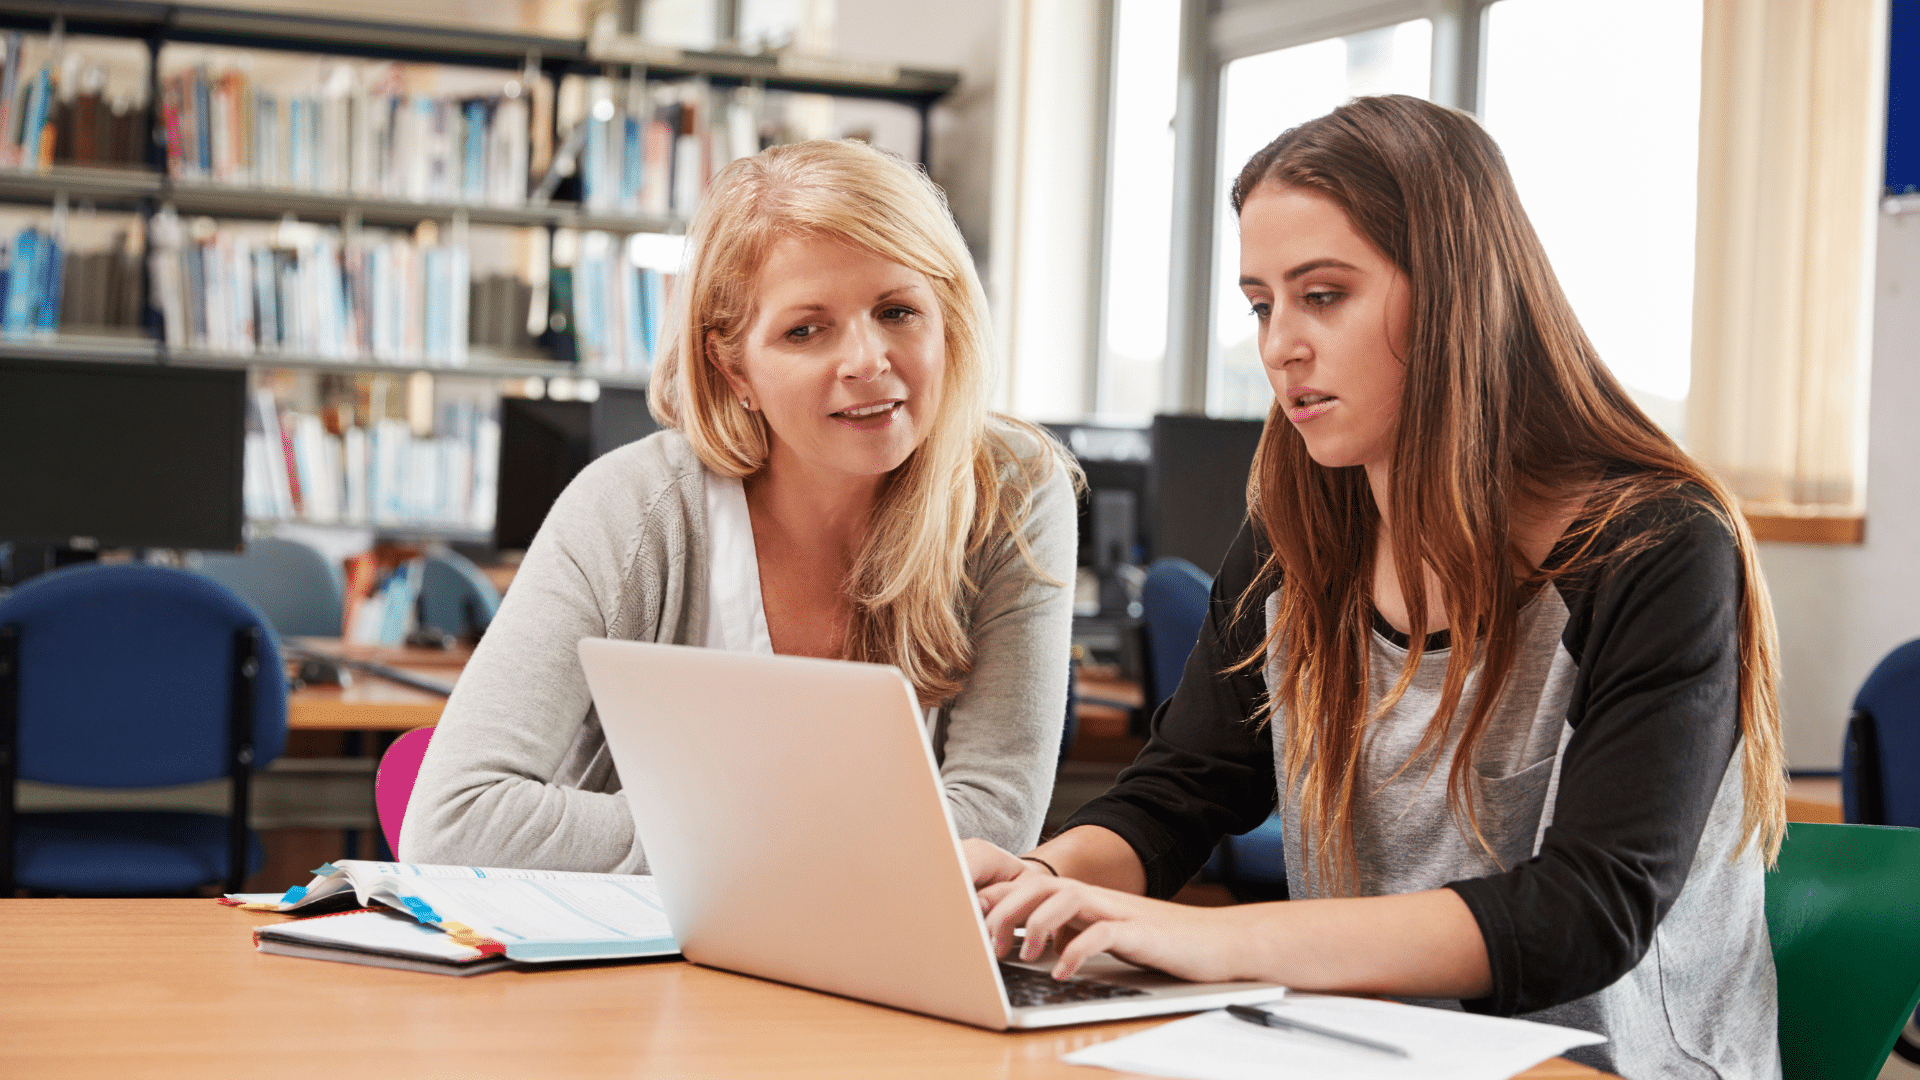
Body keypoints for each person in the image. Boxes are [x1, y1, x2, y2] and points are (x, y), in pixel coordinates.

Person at [967, 95, 1786, 1078]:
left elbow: (1585, 915)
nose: (1279, 346)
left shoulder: (1653, 549)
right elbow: (1180, 792)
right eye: (1263, 305)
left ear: (1454, 293)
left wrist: (1209, 943)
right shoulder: (1301, 533)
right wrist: (1033, 882)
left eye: (1323, 295)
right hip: (1371, 1051)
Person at [403, 139, 1079, 873]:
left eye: (897, 310)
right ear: (732, 365)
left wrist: (720, 834)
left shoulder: (1012, 492)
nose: (867, 360)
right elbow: (454, 822)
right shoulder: (630, 510)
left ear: (946, 318)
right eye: (804, 330)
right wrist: (790, 838)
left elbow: (994, 820)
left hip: (872, 963)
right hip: (634, 962)